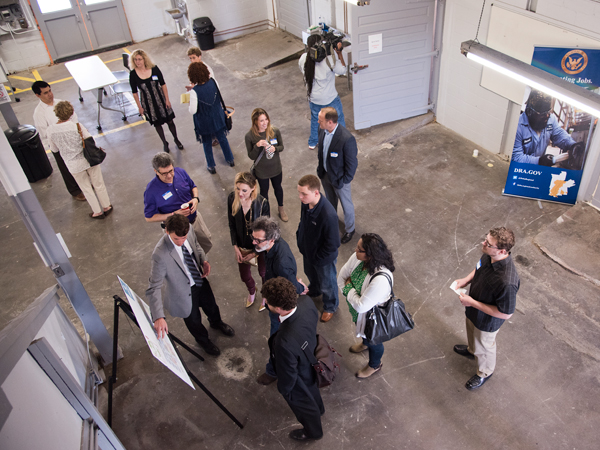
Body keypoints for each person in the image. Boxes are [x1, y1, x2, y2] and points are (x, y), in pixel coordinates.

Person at [146, 214, 234, 356]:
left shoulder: (190, 229)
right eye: (176, 239)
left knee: (211, 306)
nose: (181, 242)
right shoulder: (160, 254)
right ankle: (203, 341)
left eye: (184, 238)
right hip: (182, 292)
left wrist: (204, 260)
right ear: (167, 231)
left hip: (199, 279)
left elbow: (196, 246)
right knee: (193, 320)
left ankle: (216, 323)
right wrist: (158, 316)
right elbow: (153, 287)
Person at [452, 227, 520, 390]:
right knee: (471, 333)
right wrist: (466, 280)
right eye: (486, 239)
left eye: (488, 243)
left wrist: (472, 303)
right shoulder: (489, 254)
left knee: (484, 345)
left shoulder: (507, 281)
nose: (483, 243)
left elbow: (506, 313)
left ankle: (485, 372)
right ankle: (472, 349)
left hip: (487, 320)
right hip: (473, 308)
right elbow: (478, 267)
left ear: (502, 251)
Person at [263, 277, 324, 441]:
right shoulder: (306, 301)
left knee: (303, 405)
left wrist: (285, 390)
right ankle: (320, 409)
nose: (265, 303)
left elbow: (288, 373)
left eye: (267, 302)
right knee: (313, 390)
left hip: (300, 372)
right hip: (311, 355)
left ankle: (314, 432)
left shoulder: (284, 342)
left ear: (278, 309)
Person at [251, 216, 307, 385]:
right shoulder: (272, 247)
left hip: (279, 308)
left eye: (258, 240)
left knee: (276, 340)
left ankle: (273, 370)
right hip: (273, 293)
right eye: (252, 238)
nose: (254, 243)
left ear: (272, 239)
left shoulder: (281, 261)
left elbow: (290, 286)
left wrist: (301, 288)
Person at [337, 233, 395, 378]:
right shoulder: (358, 258)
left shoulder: (380, 279)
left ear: (370, 254)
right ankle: (365, 343)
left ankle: (375, 364)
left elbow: (361, 306)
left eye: (359, 249)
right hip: (360, 313)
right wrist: (353, 297)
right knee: (365, 333)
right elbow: (341, 278)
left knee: (374, 341)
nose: (355, 250)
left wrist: (348, 288)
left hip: (373, 317)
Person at [46, 101, 112, 220]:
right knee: (98, 183)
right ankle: (106, 206)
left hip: (73, 164)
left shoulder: (50, 130)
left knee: (85, 188)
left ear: (57, 113)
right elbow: (91, 141)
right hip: (88, 160)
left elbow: (54, 149)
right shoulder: (77, 126)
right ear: (71, 113)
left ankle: (97, 212)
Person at [143, 152, 213, 254]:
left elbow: (193, 186)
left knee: (205, 244)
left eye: (171, 171)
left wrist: (196, 199)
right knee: (186, 255)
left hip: (195, 221)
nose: (169, 175)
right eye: (164, 173)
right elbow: (149, 217)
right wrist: (174, 214)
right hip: (177, 231)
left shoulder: (180, 172)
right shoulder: (151, 191)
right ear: (156, 171)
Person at [296, 175, 340, 322]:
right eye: (299, 193)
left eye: (304, 194)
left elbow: (333, 244)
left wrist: (318, 258)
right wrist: (300, 237)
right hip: (309, 251)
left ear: (316, 193)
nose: (300, 197)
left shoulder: (328, 215)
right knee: (311, 273)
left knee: (328, 283)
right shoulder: (306, 203)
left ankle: (330, 306)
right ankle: (314, 289)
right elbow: (303, 222)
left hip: (322, 259)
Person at [32, 80, 85, 201]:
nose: (50, 94)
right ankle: (75, 191)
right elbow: (44, 133)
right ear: (38, 95)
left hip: (73, 139)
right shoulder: (39, 113)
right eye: (45, 93)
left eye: (50, 90)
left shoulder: (60, 103)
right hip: (58, 146)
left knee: (81, 162)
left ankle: (85, 184)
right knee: (66, 168)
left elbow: (74, 117)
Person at [227, 172, 270, 308]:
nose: (240, 193)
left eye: (244, 190)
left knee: (264, 273)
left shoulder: (262, 203)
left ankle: (265, 295)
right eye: (238, 188)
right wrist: (235, 246)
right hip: (241, 246)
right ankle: (252, 290)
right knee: (244, 276)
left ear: (253, 188)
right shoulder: (232, 198)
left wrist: (255, 252)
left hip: (260, 246)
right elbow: (232, 224)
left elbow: (266, 233)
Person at [316, 106, 358, 244]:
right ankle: (331, 223)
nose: (318, 122)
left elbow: (352, 164)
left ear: (330, 122)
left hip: (340, 180)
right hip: (326, 175)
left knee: (346, 205)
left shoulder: (347, 139)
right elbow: (321, 152)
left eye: (320, 120)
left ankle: (350, 229)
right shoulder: (322, 130)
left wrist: (344, 181)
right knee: (330, 201)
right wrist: (321, 171)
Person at [129, 49, 183, 153]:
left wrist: (167, 99)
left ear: (144, 59)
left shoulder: (154, 68)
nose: (137, 62)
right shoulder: (133, 74)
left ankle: (176, 139)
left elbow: (163, 84)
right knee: (157, 124)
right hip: (148, 104)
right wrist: (139, 107)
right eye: (135, 60)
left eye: (139, 59)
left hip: (161, 100)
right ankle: (165, 143)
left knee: (170, 121)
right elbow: (134, 92)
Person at [299, 34, 346, 150]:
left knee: (316, 119)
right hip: (329, 98)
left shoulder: (303, 58)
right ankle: (342, 140)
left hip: (313, 98)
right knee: (338, 117)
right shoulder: (329, 59)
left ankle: (313, 142)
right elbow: (343, 70)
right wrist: (339, 52)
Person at [512, 89, 583, 167]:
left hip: (538, 169)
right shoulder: (518, 126)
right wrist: (539, 161)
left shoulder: (550, 119)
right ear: (529, 112)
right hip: (520, 169)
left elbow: (559, 135)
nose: (547, 116)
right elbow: (516, 157)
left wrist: (572, 145)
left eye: (548, 112)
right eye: (542, 113)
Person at [187, 61, 235, 174]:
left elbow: (192, 111)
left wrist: (189, 98)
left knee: (207, 143)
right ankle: (230, 159)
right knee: (222, 138)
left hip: (204, 122)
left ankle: (211, 165)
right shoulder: (214, 82)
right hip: (217, 117)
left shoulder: (194, 92)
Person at [245, 108, 288, 222]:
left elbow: (281, 147)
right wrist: (257, 146)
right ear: (255, 122)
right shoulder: (250, 136)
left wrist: (275, 148)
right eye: (261, 121)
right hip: (262, 171)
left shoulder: (275, 131)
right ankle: (266, 213)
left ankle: (281, 208)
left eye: (266, 119)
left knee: (278, 188)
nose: (265, 123)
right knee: (264, 192)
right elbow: (251, 156)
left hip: (276, 167)